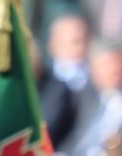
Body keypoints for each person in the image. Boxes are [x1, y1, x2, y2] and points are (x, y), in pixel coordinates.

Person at [37, 14, 93, 147]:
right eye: (75, 42)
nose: (81, 48)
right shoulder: (41, 82)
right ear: (53, 45)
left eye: (86, 41)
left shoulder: (96, 86)